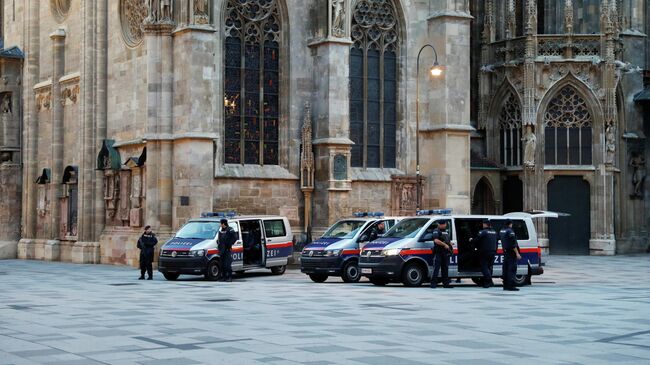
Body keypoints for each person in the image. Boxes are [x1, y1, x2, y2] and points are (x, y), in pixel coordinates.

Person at [472, 219, 498, 288]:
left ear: (485, 224)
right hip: (493, 252)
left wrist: (471, 240)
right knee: (489, 267)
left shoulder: (483, 232)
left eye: (483, 224)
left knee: (484, 267)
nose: (482, 225)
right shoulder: (494, 232)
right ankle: (488, 283)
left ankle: (489, 281)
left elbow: (476, 240)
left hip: (484, 252)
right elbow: (496, 242)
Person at [430, 221, 453, 289]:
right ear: (439, 224)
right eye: (442, 224)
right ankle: (433, 284)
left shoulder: (445, 231)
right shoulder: (436, 231)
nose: (444, 225)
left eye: (444, 224)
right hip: (438, 252)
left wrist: (450, 244)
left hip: (445, 253)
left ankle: (446, 284)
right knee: (436, 268)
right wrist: (445, 245)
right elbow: (436, 240)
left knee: (445, 268)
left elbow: (447, 240)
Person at [499, 219, 521, 291]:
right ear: (510, 224)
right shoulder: (510, 231)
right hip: (511, 253)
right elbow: (513, 244)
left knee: (505, 269)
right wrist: (517, 253)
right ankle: (510, 286)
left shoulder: (501, 230)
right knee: (512, 269)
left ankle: (505, 285)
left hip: (505, 252)